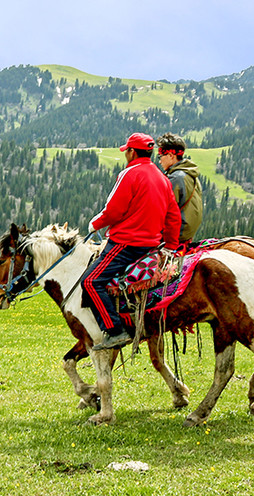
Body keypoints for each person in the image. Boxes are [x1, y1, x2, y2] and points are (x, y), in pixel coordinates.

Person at [83, 132, 181, 351]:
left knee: (91, 282)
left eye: (126, 150)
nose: (126, 154)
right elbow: (173, 216)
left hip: (125, 244)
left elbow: (114, 210)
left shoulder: (129, 174)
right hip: (151, 247)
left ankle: (115, 331)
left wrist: (95, 224)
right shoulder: (162, 178)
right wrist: (172, 246)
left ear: (132, 152)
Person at [156, 133, 202, 248]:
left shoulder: (175, 178)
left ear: (171, 155)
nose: (160, 161)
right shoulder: (190, 173)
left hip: (176, 234)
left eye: (160, 157)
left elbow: (161, 210)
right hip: (187, 231)